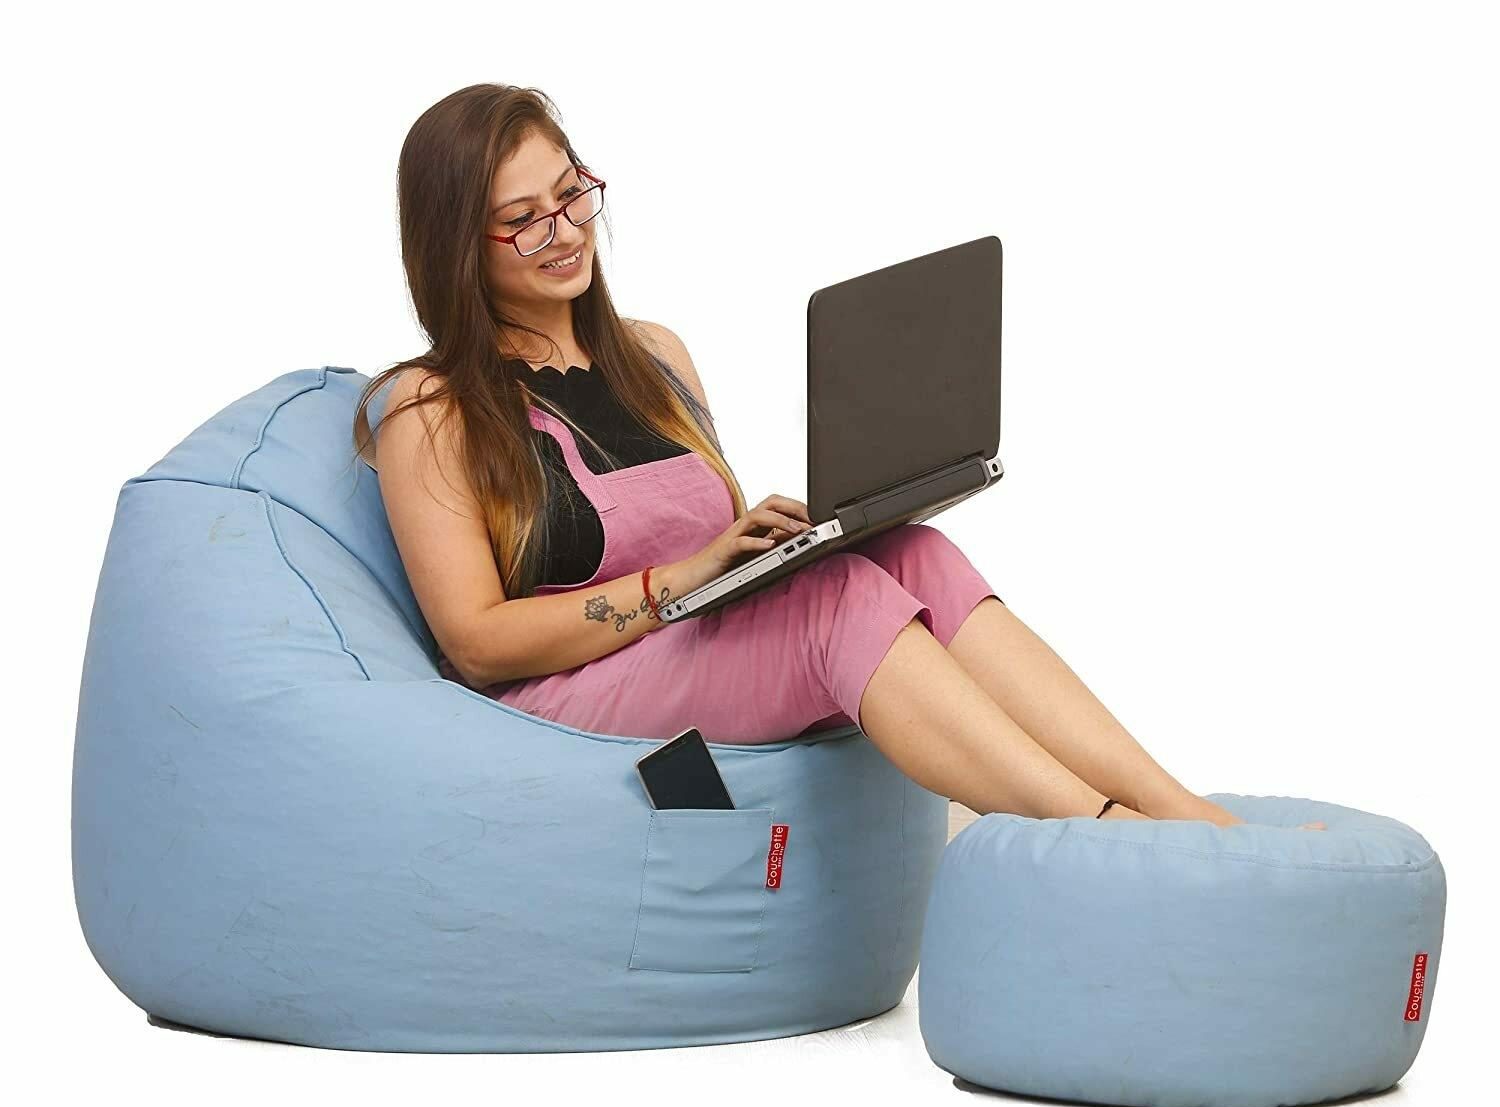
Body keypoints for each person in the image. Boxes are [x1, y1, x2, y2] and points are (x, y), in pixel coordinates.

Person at [354, 83, 1325, 832]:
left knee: (910, 557)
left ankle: (1186, 812)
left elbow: (713, 553)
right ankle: (1106, 833)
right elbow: (475, 642)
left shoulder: (655, 355)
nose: (564, 231)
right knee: (835, 602)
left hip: (688, 647)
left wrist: (783, 544)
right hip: (560, 701)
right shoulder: (430, 411)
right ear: (457, 245)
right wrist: (682, 580)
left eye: (572, 194)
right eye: (523, 217)